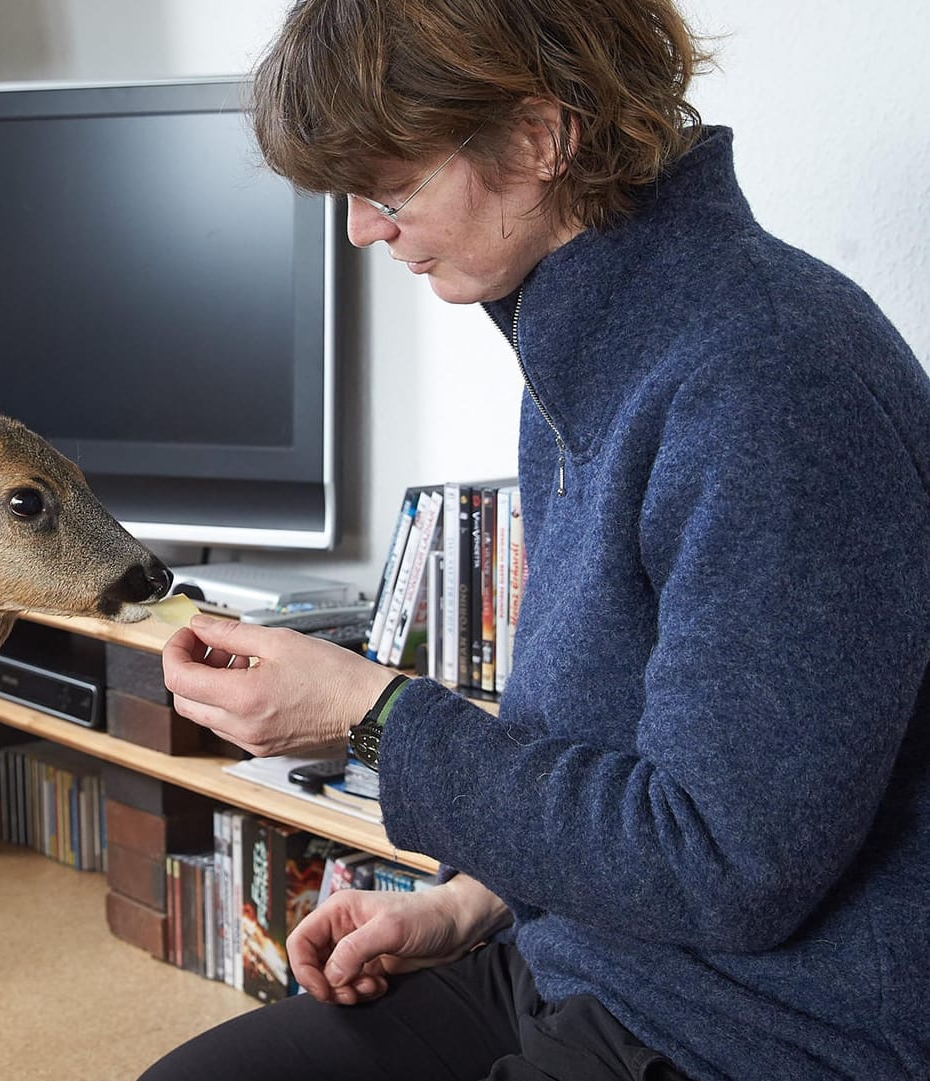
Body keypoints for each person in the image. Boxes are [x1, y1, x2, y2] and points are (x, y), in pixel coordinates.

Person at [144, 2, 930, 1080]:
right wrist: (467, 902)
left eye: (388, 186)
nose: (361, 230)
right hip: (581, 957)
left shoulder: (772, 385)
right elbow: (617, 748)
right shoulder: (593, 346)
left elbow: (721, 864)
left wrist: (368, 715)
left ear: (535, 136)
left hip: (753, 1030)